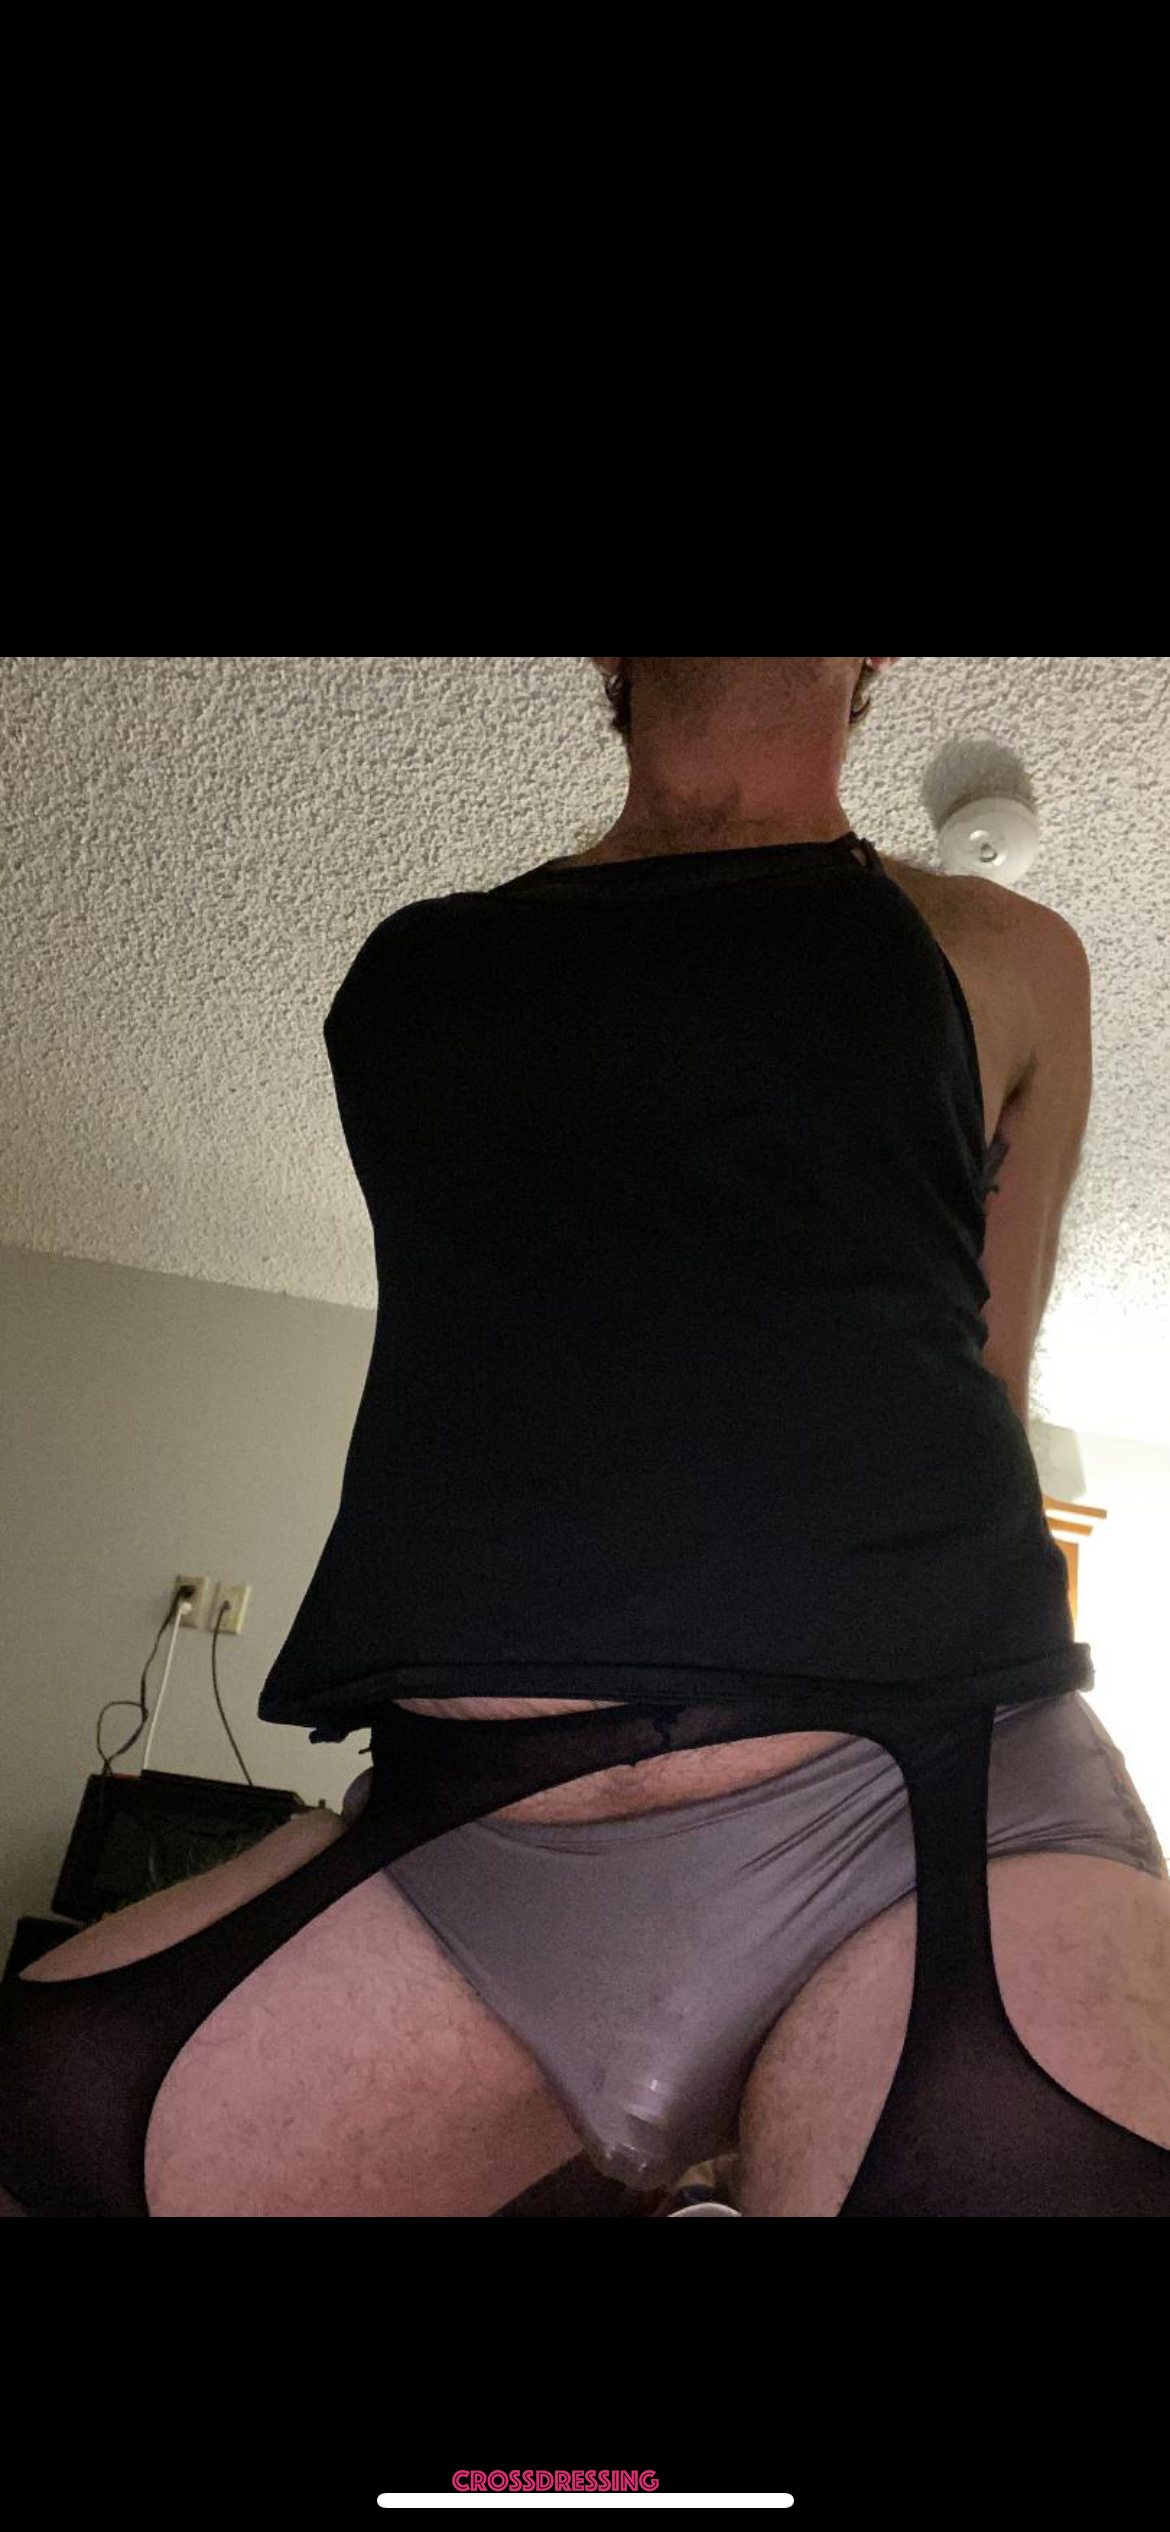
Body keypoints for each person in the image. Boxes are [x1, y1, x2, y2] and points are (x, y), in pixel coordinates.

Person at [2, 656, 1168, 2219]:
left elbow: (987, 1373)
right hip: (477, 1837)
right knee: (55, 2116)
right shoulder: (424, 969)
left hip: (928, 1798)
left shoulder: (1002, 948)